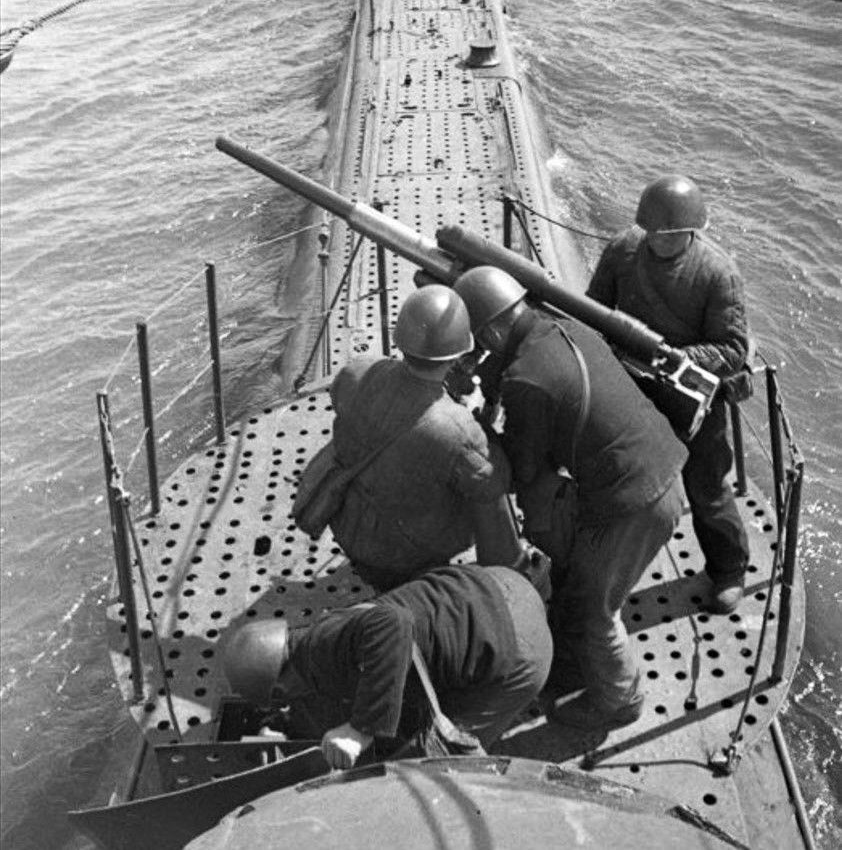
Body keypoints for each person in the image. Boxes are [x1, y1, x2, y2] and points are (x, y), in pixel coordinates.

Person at [453, 266, 686, 733]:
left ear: (492, 332)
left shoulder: (527, 379)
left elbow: (521, 469)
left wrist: (475, 425)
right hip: (658, 469)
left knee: (595, 610)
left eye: (478, 340)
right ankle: (575, 663)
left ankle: (620, 701)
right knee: (579, 581)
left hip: (633, 503)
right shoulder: (564, 327)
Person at [587, 174, 750, 615]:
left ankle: (729, 569)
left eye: (667, 234)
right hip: (632, 381)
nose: (656, 240)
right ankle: (606, 561)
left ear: (689, 231)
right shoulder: (623, 251)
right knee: (613, 470)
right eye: (651, 232)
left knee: (707, 487)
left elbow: (733, 349)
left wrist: (675, 358)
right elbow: (594, 310)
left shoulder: (717, 273)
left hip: (692, 395)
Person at [223, 563, 553, 767]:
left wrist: (360, 730)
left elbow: (392, 621)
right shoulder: (316, 637)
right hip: (502, 585)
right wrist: (287, 728)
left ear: (281, 684)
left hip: (519, 648)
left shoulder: (323, 651)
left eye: (279, 696)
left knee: (441, 760)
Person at [327, 284, 522, 591]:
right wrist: (476, 422)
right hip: (405, 558)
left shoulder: (357, 371)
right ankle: (508, 575)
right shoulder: (457, 430)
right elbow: (495, 482)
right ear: (458, 354)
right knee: (485, 484)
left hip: (347, 525)